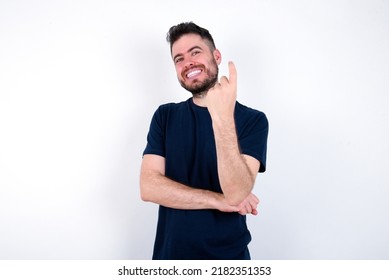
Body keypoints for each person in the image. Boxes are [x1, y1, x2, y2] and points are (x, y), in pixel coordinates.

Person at [140, 22, 269, 260]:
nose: (187, 62)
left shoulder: (253, 120)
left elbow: (237, 193)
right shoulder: (165, 116)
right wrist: (218, 200)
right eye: (179, 59)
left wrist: (222, 117)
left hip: (229, 260)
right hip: (170, 259)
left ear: (216, 56)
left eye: (195, 52)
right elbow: (148, 187)